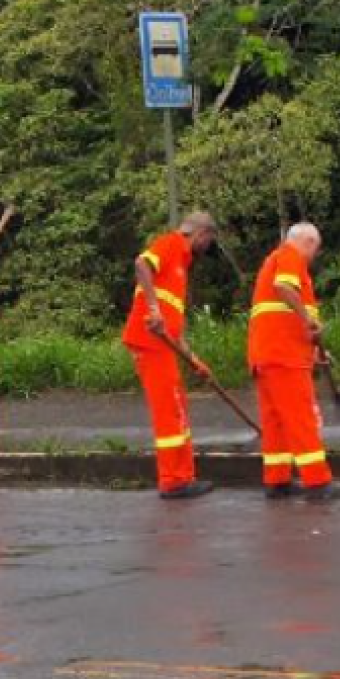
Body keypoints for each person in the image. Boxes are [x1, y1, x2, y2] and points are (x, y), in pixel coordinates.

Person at [248, 222, 340, 500]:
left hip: (268, 353)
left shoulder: (274, 261)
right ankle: (318, 481)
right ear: (307, 242)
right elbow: (284, 289)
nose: (313, 257)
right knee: (301, 417)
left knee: (276, 421)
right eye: (315, 250)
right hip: (284, 356)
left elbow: (283, 315)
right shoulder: (290, 256)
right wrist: (309, 320)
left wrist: (314, 350)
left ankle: (277, 479)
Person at [123, 212, 219, 499]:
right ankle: (173, 481)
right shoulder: (171, 244)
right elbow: (141, 263)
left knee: (176, 410)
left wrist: (193, 360)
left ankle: (183, 476)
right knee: (168, 411)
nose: (206, 248)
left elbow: (173, 328)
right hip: (150, 342)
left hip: (164, 345)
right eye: (208, 241)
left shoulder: (180, 265)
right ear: (201, 234)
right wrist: (153, 310)